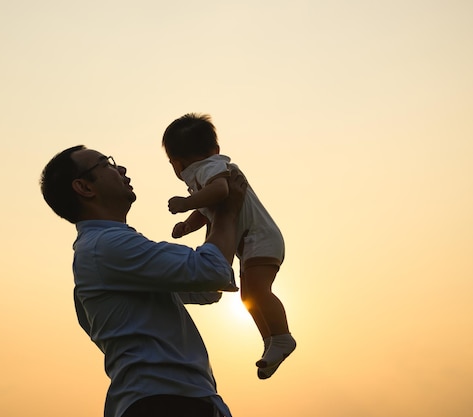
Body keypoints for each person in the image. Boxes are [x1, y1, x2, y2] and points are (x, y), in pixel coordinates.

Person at [40, 145, 248, 417]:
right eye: (107, 164)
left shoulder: (103, 250)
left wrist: (212, 210)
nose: (121, 168)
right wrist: (226, 212)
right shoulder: (107, 246)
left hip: (170, 400)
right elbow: (212, 272)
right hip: (167, 403)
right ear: (84, 187)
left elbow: (206, 288)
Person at [162, 113, 296, 380]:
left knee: (258, 291)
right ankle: (271, 340)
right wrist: (189, 225)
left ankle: (282, 337)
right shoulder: (205, 173)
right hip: (251, 242)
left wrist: (186, 204)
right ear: (215, 147)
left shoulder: (211, 169)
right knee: (249, 297)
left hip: (260, 237)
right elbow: (208, 207)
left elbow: (221, 191)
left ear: (176, 164)